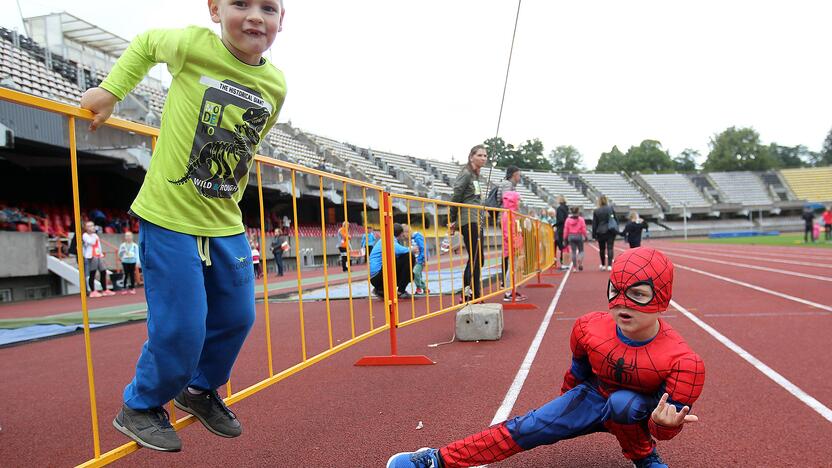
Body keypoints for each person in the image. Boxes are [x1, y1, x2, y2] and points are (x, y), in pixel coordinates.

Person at [80, 0, 287, 453]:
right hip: (170, 216)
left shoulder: (275, 84)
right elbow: (147, 43)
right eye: (241, 4)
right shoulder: (193, 45)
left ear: (281, 21)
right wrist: (112, 90)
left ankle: (197, 390)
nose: (255, 16)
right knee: (182, 327)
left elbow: (247, 145)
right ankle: (139, 405)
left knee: (238, 316)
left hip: (225, 221)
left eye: (268, 8)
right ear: (215, 10)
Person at [388, 248, 705, 468]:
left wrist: (663, 426)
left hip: (633, 412)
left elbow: (666, 427)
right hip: (592, 397)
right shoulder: (589, 327)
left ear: (661, 297)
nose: (622, 303)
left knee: (624, 403)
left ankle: (643, 456)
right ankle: (437, 459)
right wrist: (564, 414)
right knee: (525, 427)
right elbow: (576, 375)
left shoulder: (684, 361)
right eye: (615, 291)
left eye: (638, 294)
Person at [450, 145, 487, 302]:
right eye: (480, 155)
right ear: (471, 156)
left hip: (477, 219)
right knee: (476, 257)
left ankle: (473, 292)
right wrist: (452, 219)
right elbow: (456, 194)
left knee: (479, 258)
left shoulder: (476, 176)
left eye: (485, 156)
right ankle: (470, 294)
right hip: (468, 220)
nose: (483, 158)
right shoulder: (465, 174)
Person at [369, 223, 418, 298]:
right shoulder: (389, 240)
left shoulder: (385, 239)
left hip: (375, 277)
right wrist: (412, 249)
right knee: (409, 256)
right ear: (401, 233)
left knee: (410, 272)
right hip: (378, 276)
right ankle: (400, 291)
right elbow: (399, 250)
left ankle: (380, 289)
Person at [500, 191, 527, 302]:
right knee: (511, 269)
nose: (520, 202)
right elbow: (507, 233)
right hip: (512, 247)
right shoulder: (508, 215)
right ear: (513, 201)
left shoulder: (513, 214)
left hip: (515, 246)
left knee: (514, 269)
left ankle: (512, 290)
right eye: (518, 199)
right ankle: (508, 293)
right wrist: (515, 244)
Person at [82, 221, 113, 297]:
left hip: (98, 254)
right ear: (86, 228)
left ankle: (105, 289)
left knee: (103, 271)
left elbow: (98, 246)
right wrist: (93, 235)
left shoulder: (95, 235)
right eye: (89, 226)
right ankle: (93, 291)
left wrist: (101, 254)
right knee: (92, 273)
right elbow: (91, 242)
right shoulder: (85, 235)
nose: (92, 227)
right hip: (91, 256)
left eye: (92, 225)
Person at [593, 195, 618, 271]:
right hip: (610, 231)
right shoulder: (610, 209)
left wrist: (594, 234)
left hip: (600, 231)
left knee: (602, 249)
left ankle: (603, 265)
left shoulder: (596, 211)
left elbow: (595, 224)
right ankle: (610, 265)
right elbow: (615, 219)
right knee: (610, 248)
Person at [563, 206, 587, 272]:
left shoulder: (567, 220)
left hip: (571, 236)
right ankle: (580, 260)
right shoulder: (581, 219)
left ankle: (574, 268)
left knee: (573, 252)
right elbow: (583, 229)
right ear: (578, 212)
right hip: (579, 236)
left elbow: (566, 229)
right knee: (581, 251)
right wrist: (585, 236)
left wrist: (565, 238)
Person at [409, 225, 428, 296]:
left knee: (415, 272)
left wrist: (423, 259)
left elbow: (423, 248)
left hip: (420, 259)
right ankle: (425, 288)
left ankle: (419, 287)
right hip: (416, 259)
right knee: (418, 274)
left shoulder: (418, 237)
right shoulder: (412, 238)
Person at [555, 195, 569, 269]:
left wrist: (554, 225)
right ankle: (566, 263)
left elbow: (561, 220)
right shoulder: (566, 208)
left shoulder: (560, 208)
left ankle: (563, 264)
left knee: (562, 247)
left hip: (561, 229)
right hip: (566, 229)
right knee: (565, 246)